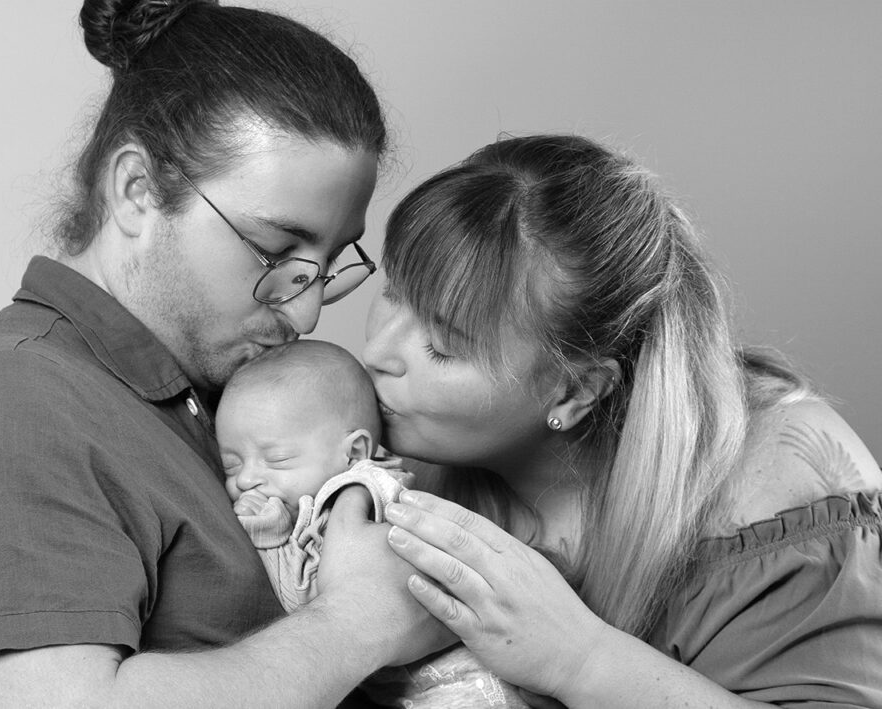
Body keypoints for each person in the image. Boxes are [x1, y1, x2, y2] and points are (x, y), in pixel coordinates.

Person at [0, 2, 450, 707]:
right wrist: (361, 621)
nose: (307, 310)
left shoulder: (234, 398)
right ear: (137, 191)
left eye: (327, 265)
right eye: (274, 251)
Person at [364, 133, 882, 708]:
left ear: (576, 390)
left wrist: (580, 659)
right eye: (393, 293)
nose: (377, 353)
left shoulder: (784, 482)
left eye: (441, 348)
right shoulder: (383, 440)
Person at [216, 338, 534, 709]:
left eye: (278, 460)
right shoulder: (314, 507)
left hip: (463, 682)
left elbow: (310, 601)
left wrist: (268, 536)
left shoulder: (369, 493)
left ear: (354, 452)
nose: (246, 479)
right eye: (231, 465)